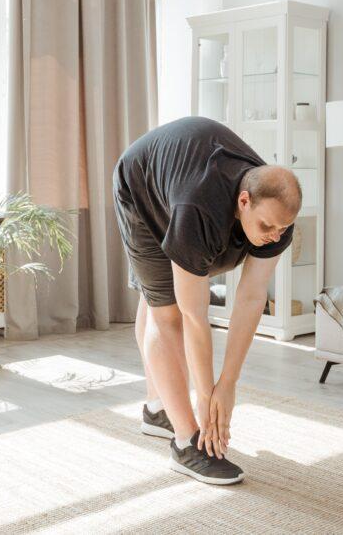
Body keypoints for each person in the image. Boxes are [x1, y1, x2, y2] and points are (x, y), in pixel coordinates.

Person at [112, 116, 301, 485]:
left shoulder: (277, 218)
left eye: (281, 229)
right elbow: (194, 316)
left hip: (179, 178)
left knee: (160, 299)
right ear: (244, 201)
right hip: (140, 187)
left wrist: (227, 385)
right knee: (165, 313)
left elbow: (249, 298)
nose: (274, 236)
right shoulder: (200, 208)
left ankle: (156, 408)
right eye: (266, 227)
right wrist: (205, 397)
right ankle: (185, 444)